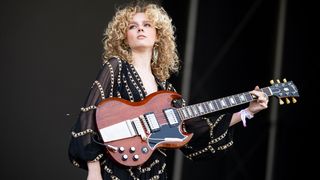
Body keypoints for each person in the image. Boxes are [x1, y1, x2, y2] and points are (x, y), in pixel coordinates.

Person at [68, 1, 269, 180]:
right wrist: (94, 171)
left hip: (155, 170)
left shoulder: (166, 89)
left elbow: (196, 129)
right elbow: (90, 114)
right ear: (124, 37)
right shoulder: (116, 67)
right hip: (117, 168)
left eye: (147, 25)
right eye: (132, 26)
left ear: (157, 36)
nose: (140, 29)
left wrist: (247, 111)